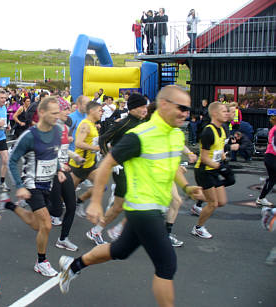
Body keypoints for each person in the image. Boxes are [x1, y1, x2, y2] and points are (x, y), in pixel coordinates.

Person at [58, 85, 203, 307]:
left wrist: (186, 187)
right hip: (142, 209)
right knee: (167, 264)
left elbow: (172, 166)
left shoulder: (175, 134)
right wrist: (95, 202)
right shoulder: (139, 135)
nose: (186, 113)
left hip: (157, 207)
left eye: (188, 109)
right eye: (181, 107)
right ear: (163, 104)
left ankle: (74, 266)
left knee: (119, 251)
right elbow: (107, 163)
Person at [7, 97, 66, 277]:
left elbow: (53, 154)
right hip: (31, 184)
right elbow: (12, 161)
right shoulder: (29, 136)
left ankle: (10, 206)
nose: (58, 116)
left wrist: (59, 169)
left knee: (36, 224)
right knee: (47, 225)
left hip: (47, 183)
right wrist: (20, 185)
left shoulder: (58, 130)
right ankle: (41, 262)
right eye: (54, 113)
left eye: (59, 112)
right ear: (41, 113)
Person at [90, 93, 148, 242]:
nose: (144, 109)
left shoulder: (144, 123)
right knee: (120, 206)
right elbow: (103, 139)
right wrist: (108, 157)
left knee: (129, 204)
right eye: (141, 107)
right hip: (121, 168)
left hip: (136, 168)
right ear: (133, 108)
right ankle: (98, 230)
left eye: (145, 106)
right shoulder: (123, 123)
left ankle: (104, 229)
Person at [191, 102, 228, 238]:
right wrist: (221, 167)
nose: (227, 113)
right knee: (213, 203)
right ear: (214, 113)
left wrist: (225, 159)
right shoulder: (208, 131)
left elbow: (220, 151)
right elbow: (205, 158)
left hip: (214, 169)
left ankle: (193, 196)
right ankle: (198, 228)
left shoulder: (223, 129)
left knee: (222, 202)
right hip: (204, 170)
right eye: (223, 111)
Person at [49, 100, 79, 251]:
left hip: (64, 171)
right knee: (56, 210)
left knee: (72, 205)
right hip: (52, 172)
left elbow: (64, 150)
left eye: (68, 108)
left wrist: (75, 157)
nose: (68, 112)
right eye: (65, 109)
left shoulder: (65, 128)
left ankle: (63, 239)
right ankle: (34, 202)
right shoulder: (49, 129)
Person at [69, 101, 102, 224]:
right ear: (92, 111)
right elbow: (78, 143)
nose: (101, 112)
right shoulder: (85, 125)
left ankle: (80, 201)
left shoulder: (93, 124)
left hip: (90, 164)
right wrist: (96, 148)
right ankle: (52, 210)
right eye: (99, 110)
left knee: (101, 185)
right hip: (80, 164)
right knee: (67, 192)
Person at [256, 116, 276, 207]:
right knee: (272, 179)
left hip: (270, 157)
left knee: (272, 179)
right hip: (272, 157)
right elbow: (274, 144)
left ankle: (261, 198)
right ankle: (261, 198)